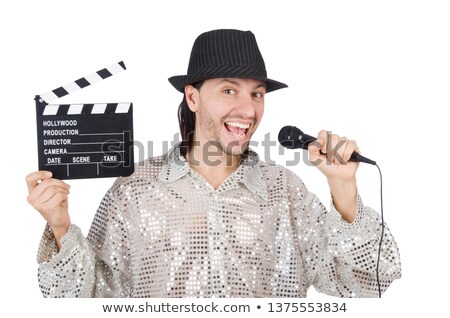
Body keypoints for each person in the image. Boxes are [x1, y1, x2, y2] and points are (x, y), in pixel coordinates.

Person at [26, 29, 401, 298]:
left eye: (256, 93)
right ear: (193, 97)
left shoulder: (285, 192)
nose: (248, 108)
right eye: (228, 90)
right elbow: (83, 299)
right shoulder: (134, 189)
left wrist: (343, 189)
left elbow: (370, 283)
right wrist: (60, 228)